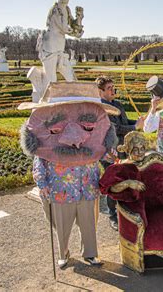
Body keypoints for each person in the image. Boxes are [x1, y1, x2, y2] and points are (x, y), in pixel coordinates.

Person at [18, 82, 120, 268]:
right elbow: (39, 160)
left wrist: (112, 154)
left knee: (89, 223)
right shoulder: (44, 143)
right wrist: (42, 184)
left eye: (87, 127)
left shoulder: (97, 135)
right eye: (56, 130)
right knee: (61, 224)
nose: (75, 139)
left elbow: (101, 150)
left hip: (88, 186)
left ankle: (90, 253)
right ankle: (63, 253)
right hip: (60, 189)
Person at [96, 75, 144, 230]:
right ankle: (112, 215)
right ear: (100, 91)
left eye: (113, 87)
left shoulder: (117, 104)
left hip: (124, 147)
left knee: (126, 178)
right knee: (114, 181)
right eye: (109, 88)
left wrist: (137, 123)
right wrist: (134, 127)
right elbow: (115, 128)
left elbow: (124, 122)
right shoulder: (101, 108)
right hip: (109, 151)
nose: (113, 90)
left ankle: (125, 211)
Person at [30, 0, 84, 102]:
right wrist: (78, 30)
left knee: (71, 78)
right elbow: (66, 29)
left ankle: (77, 103)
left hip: (59, 48)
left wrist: (79, 18)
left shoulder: (67, 9)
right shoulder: (56, 10)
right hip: (49, 48)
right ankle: (46, 107)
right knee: (51, 81)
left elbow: (74, 28)